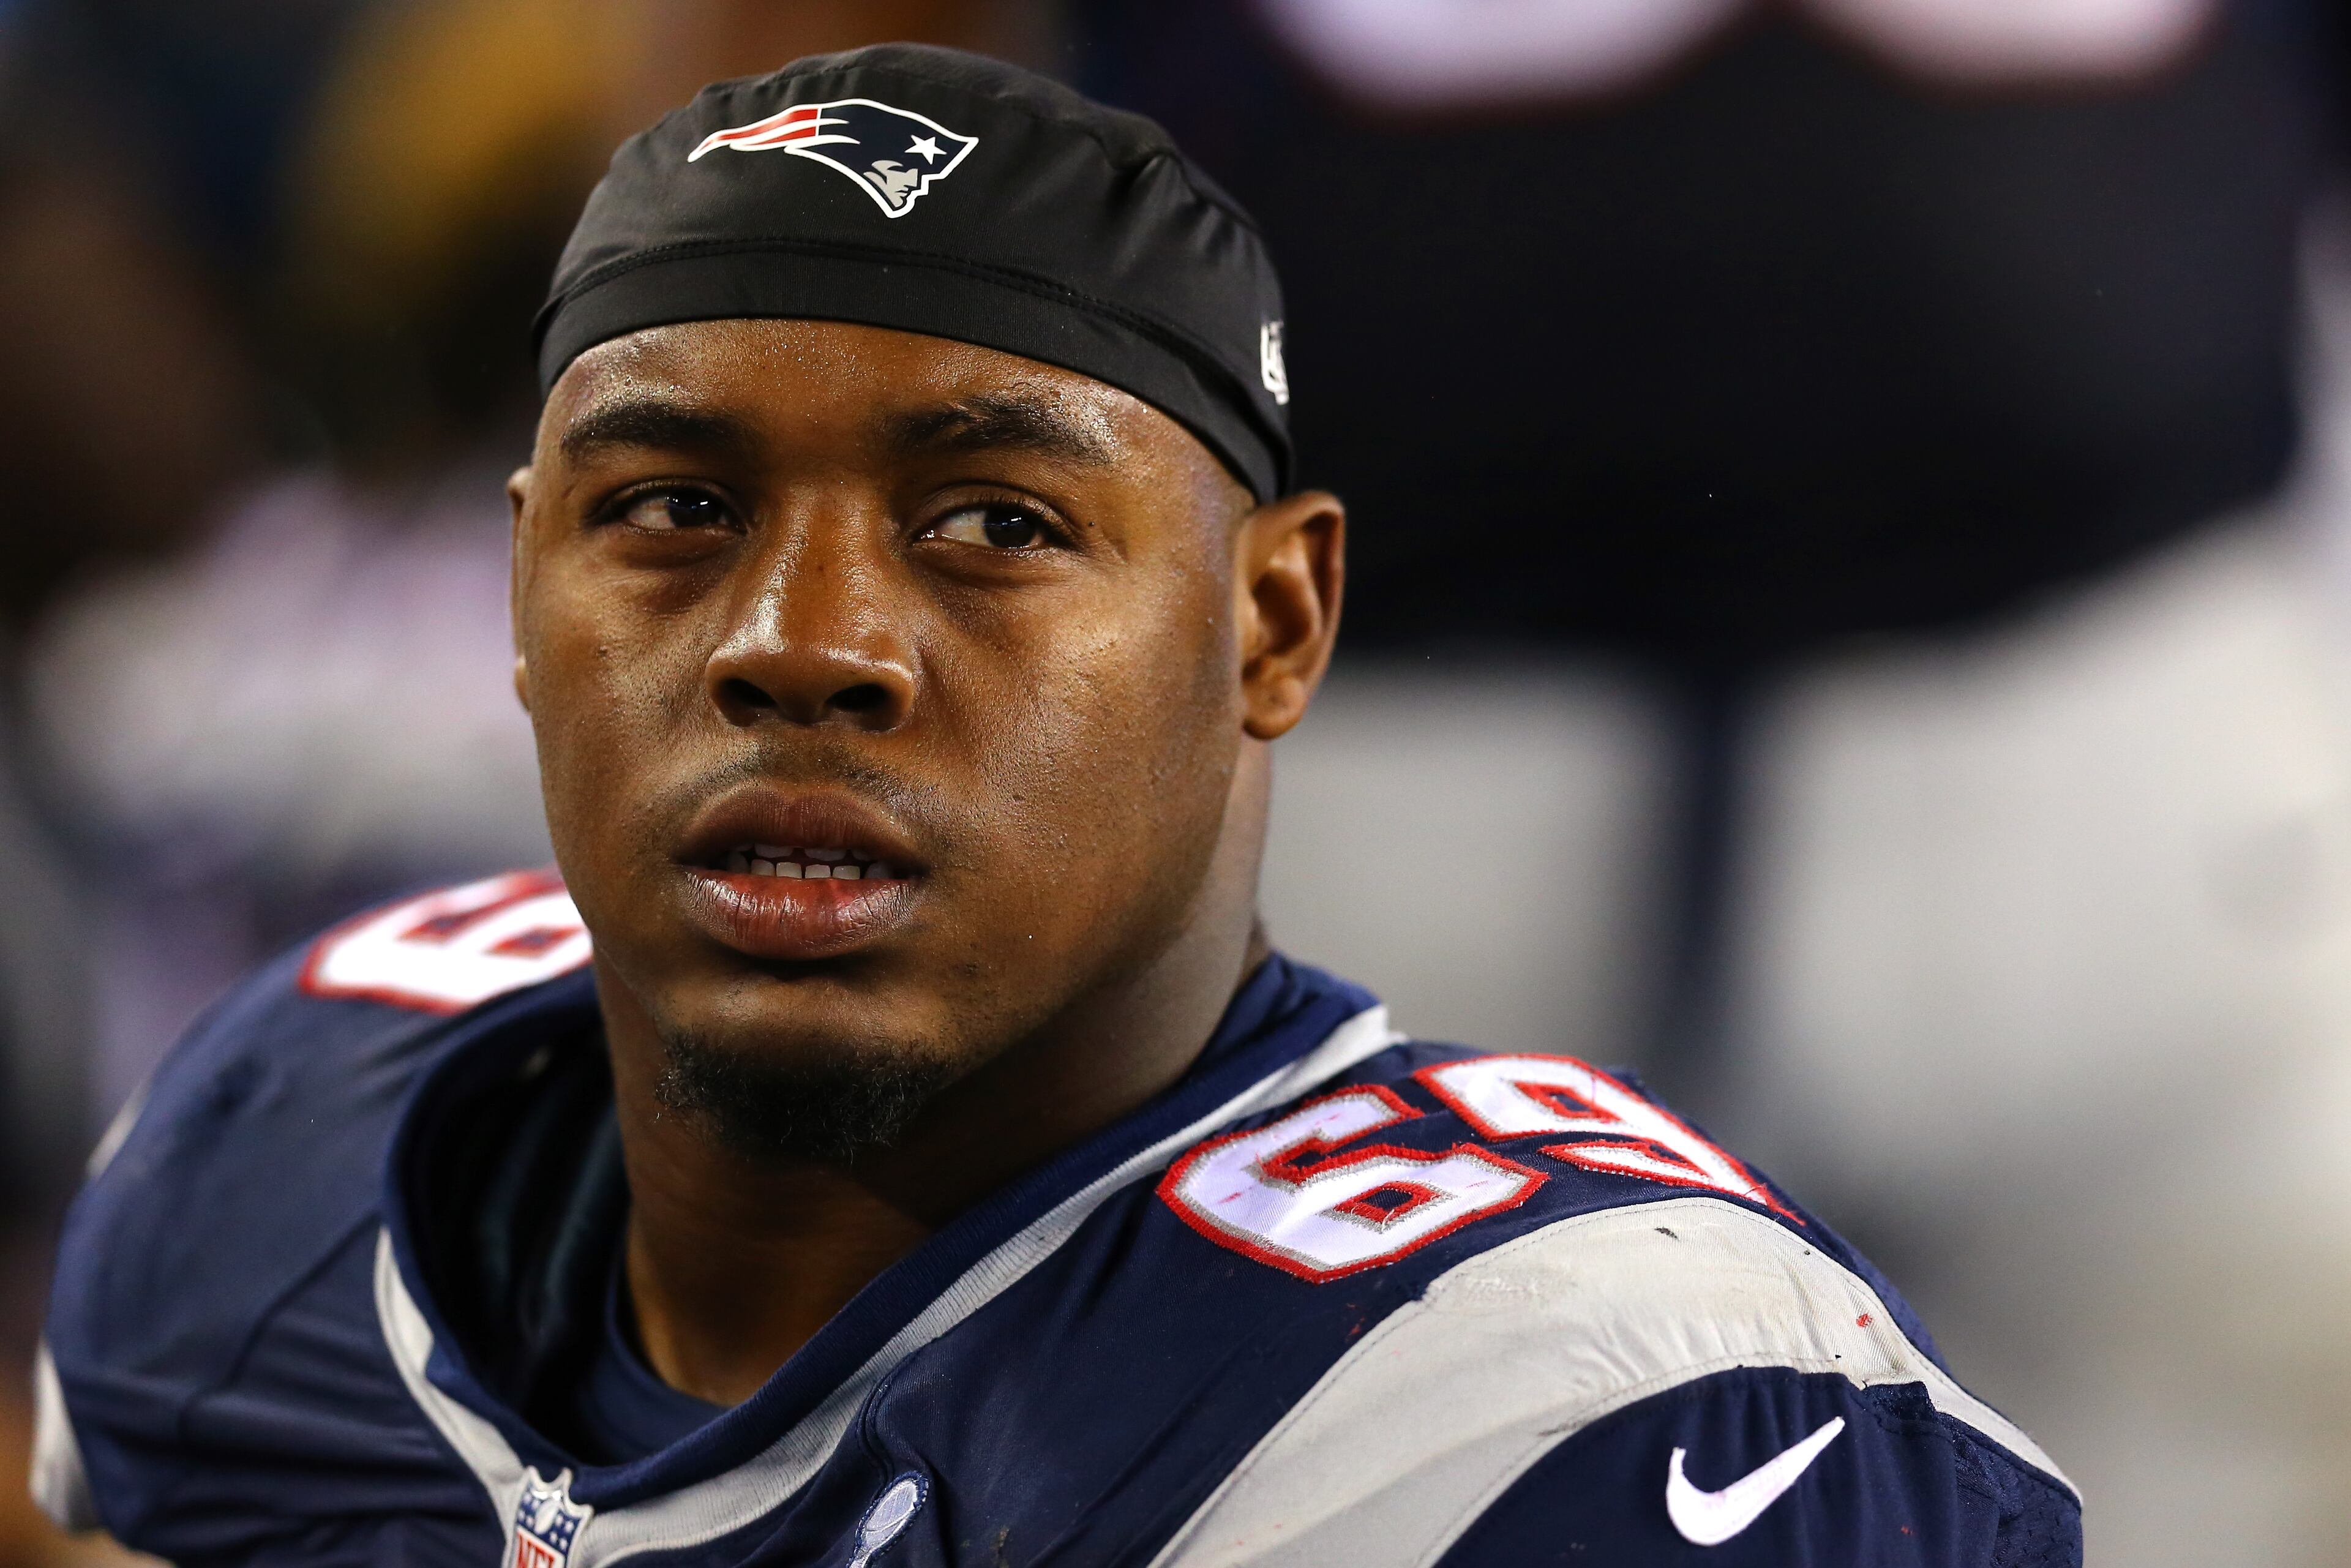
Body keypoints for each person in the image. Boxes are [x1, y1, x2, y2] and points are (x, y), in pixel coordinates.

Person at [31, 45, 2078, 1567]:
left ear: (1274, 624)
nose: (803, 641)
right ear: (521, 590)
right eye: (672, 508)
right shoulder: (281, 1136)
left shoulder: (1584, 1402)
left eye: (994, 522)